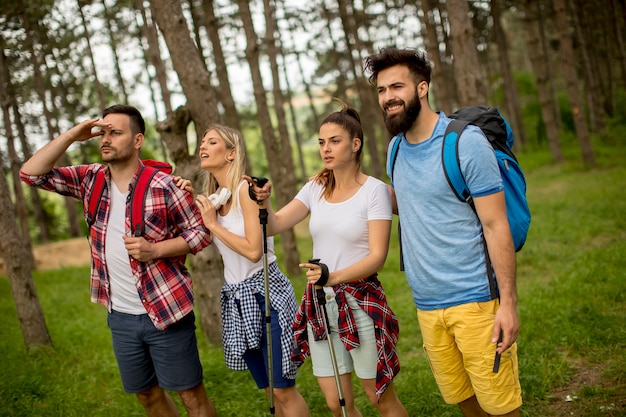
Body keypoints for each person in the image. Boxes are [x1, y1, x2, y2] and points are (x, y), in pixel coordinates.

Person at [20, 104, 217, 417]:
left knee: (192, 398)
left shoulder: (164, 186)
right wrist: (73, 135)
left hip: (166, 309)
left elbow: (201, 234)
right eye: (102, 133)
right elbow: (30, 174)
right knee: (147, 396)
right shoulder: (90, 180)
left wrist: (156, 250)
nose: (105, 139)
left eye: (115, 132)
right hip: (120, 316)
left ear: (137, 140)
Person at [363, 47, 523, 417]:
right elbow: (411, 200)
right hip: (428, 305)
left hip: (476, 300)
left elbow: (495, 223)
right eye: (382, 90)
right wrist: (350, 185)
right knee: (465, 402)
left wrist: (509, 304)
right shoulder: (395, 149)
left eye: (396, 86)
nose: (388, 97)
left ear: (422, 88)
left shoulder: (464, 142)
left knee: (500, 407)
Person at [249, 104, 408, 417]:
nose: (326, 148)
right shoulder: (316, 187)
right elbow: (278, 223)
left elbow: (377, 257)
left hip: (359, 301)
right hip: (320, 304)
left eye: (334, 141)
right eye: (321, 142)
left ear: (355, 144)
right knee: (337, 403)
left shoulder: (374, 191)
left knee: (379, 399)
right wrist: (264, 202)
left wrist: (332, 277)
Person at [193, 124, 310, 417]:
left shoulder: (245, 190)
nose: (202, 147)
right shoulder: (217, 198)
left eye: (212, 142)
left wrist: (213, 226)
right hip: (237, 298)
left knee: (283, 389)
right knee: (271, 390)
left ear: (231, 154)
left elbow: (254, 250)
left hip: (265, 292)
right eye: (202, 142)